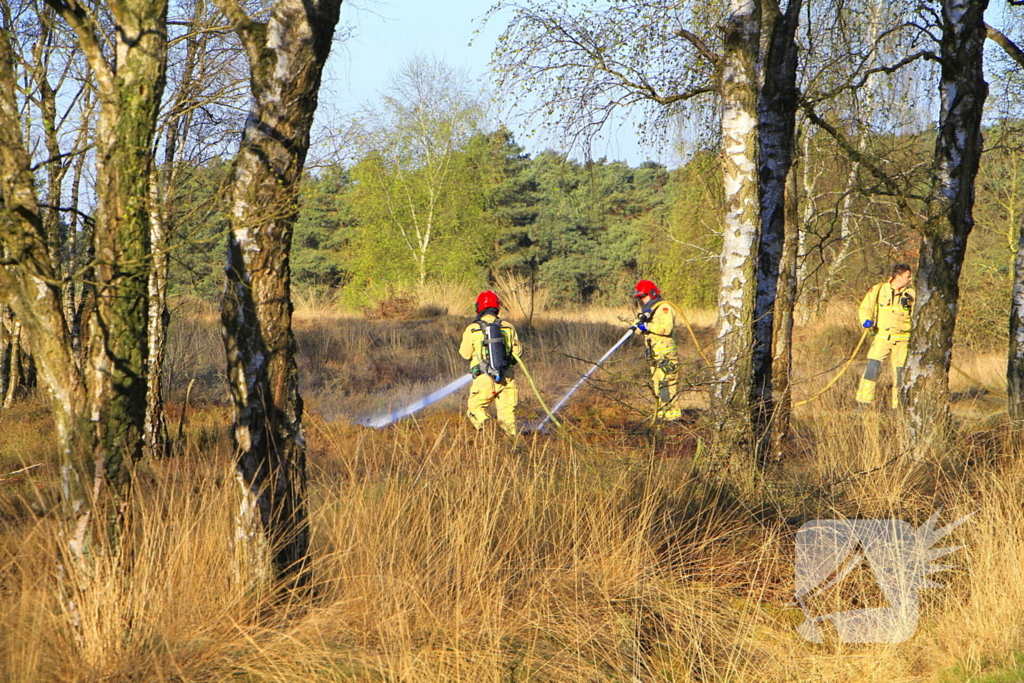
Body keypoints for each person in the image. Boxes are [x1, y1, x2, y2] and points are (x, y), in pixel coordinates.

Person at [459, 290, 522, 436]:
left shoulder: (473, 328)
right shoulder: (508, 327)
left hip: (484, 378)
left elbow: (464, 354)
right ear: (496, 307)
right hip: (507, 378)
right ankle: (511, 446)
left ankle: (490, 432)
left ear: (479, 307)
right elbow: (517, 354)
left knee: (475, 409)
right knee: (507, 417)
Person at [855, 264, 915, 409]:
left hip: (903, 339)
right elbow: (865, 308)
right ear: (898, 276)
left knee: (900, 374)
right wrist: (865, 321)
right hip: (882, 337)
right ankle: (864, 403)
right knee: (872, 369)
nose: (910, 279)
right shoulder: (878, 290)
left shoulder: (912, 294)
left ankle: (898, 406)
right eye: (907, 276)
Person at [632, 279, 682, 421]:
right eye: (639, 298)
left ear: (652, 294)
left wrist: (647, 327)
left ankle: (673, 419)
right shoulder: (648, 310)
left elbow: (666, 328)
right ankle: (661, 415)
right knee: (657, 386)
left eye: (643, 296)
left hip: (666, 353)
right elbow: (638, 328)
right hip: (654, 353)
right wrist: (637, 326)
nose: (641, 300)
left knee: (667, 385)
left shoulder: (664, 307)